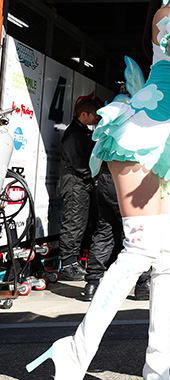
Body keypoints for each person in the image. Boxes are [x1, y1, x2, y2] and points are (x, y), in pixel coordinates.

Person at [27, 0, 170, 380]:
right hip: (140, 132)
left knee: (169, 260)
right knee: (139, 251)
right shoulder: (167, 19)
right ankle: (73, 356)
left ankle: (158, 371)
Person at [83, 161, 151, 302]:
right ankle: (143, 283)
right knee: (135, 233)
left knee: (105, 231)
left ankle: (92, 283)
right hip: (128, 178)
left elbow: (94, 160)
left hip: (106, 178)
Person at [57, 96, 100, 281]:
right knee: (73, 222)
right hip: (74, 183)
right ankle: (68, 265)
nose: (96, 118)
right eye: (94, 115)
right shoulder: (74, 133)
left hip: (80, 183)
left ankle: (74, 262)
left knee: (80, 223)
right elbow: (79, 163)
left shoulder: (82, 131)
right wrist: (93, 178)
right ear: (84, 114)